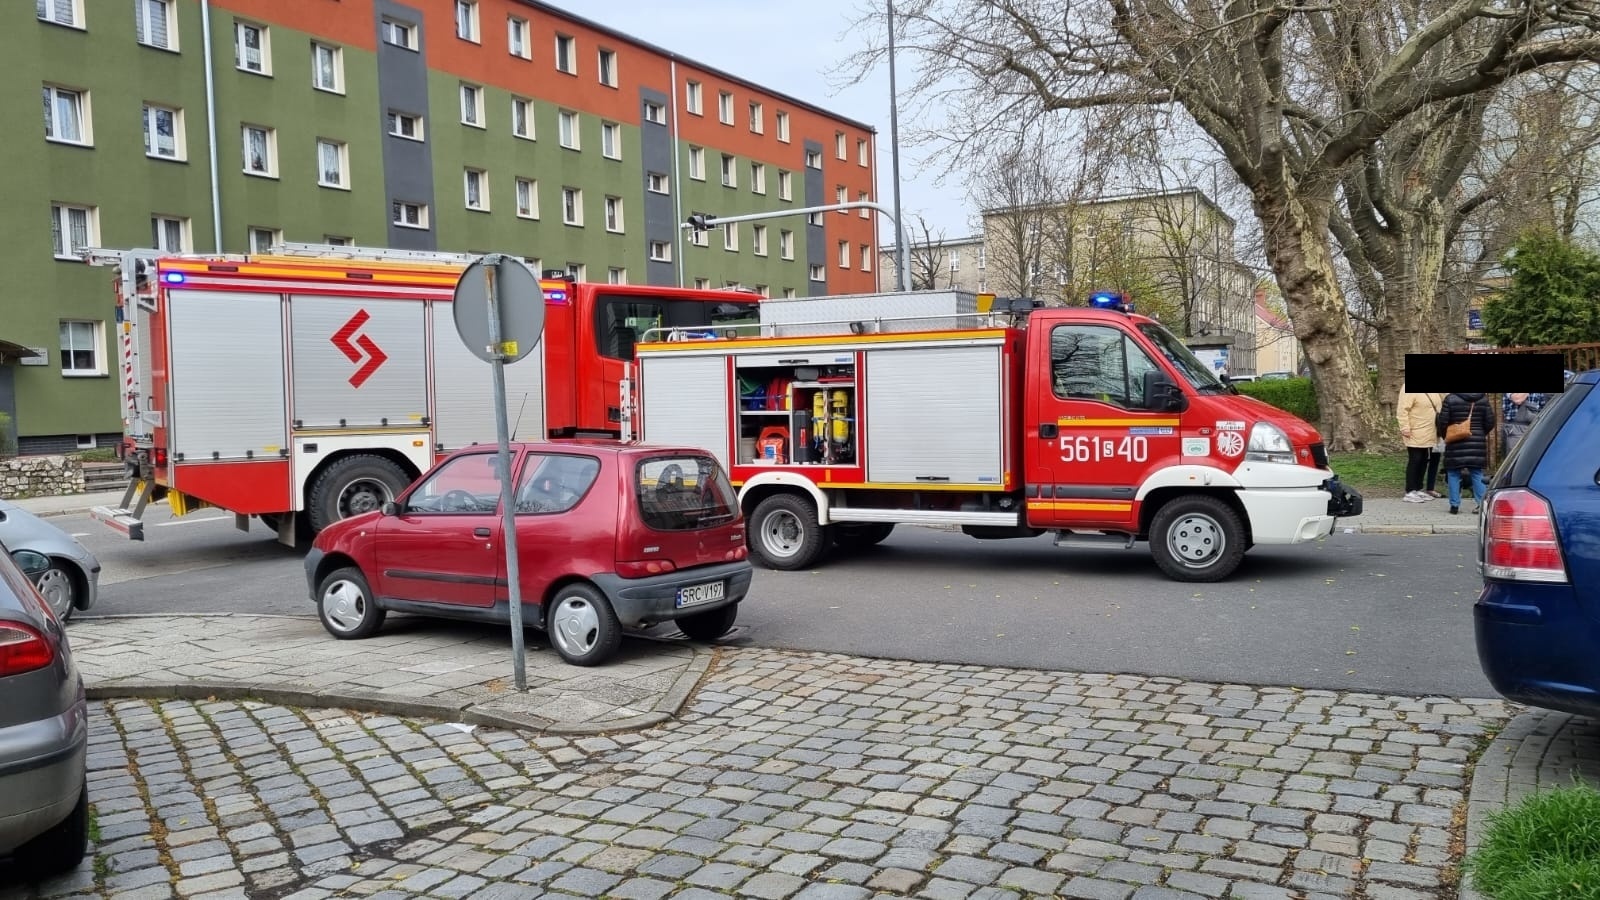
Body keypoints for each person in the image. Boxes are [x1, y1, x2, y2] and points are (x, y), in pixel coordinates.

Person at [1436, 391, 1493, 515]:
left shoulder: (1450, 399)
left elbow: (1443, 421)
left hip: (1455, 441)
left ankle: (1454, 505)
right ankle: (1481, 504)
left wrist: (1448, 435)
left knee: (1453, 473)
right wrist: (1480, 433)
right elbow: (1490, 421)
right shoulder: (1482, 398)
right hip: (1476, 440)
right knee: (1477, 473)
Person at [1397, 387, 1445, 502]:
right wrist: (1404, 427)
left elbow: (1443, 399)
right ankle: (1410, 490)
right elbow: (1402, 410)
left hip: (1429, 431)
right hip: (1415, 430)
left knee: (1424, 459)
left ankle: (1418, 488)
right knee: (1415, 459)